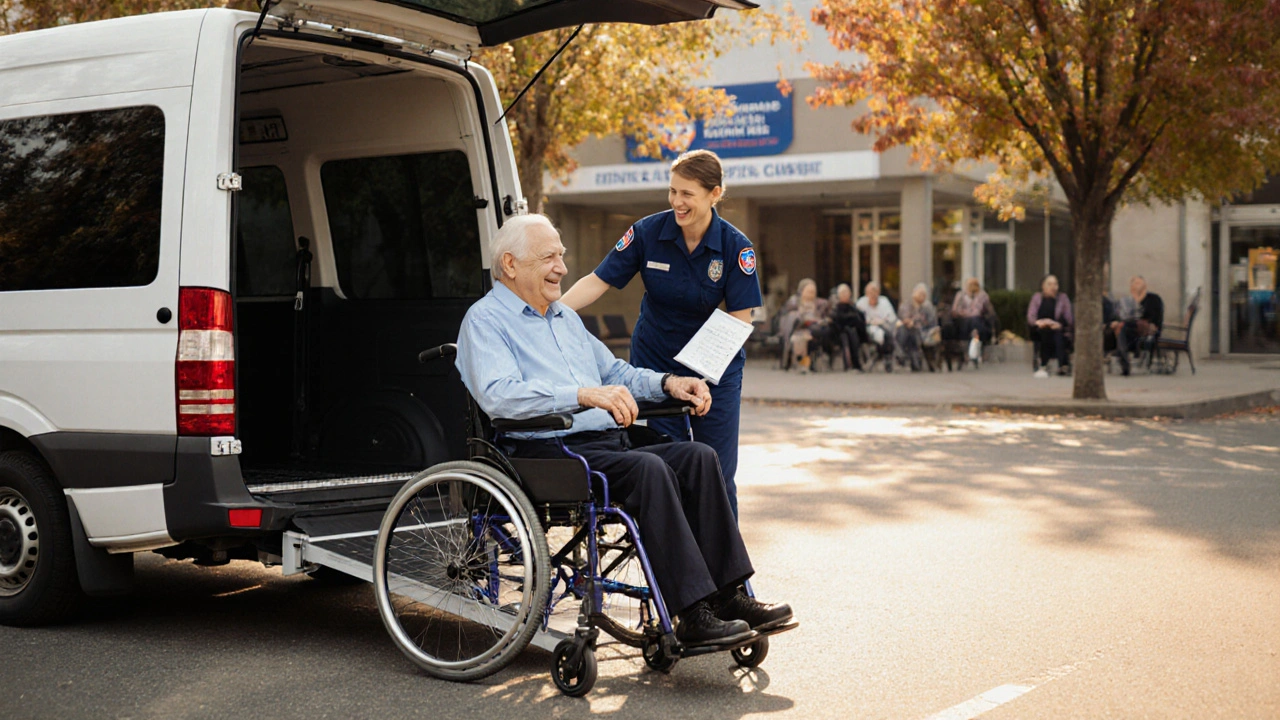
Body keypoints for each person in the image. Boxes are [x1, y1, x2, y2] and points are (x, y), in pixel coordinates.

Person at [456, 213, 793, 647]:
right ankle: (690, 613)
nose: (561, 267)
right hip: (546, 450)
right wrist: (581, 395)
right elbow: (500, 395)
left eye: (562, 256)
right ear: (510, 265)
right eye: (549, 258)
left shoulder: (563, 317)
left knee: (697, 458)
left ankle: (728, 596)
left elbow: (615, 371)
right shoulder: (484, 321)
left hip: (604, 443)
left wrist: (669, 382)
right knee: (648, 471)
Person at [561, 150, 761, 518]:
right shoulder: (647, 232)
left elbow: (739, 320)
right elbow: (597, 281)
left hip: (714, 369)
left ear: (715, 193)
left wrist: (699, 378)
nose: (677, 202)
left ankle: (725, 568)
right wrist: (551, 313)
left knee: (716, 469)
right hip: (656, 366)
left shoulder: (735, 247)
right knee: (667, 465)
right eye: (672, 191)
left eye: (687, 194)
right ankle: (678, 558)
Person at [1109, 275, 1164, 375]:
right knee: (1120, 327)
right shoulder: (1128, 301)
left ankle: (1122, 356)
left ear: (1145, 285)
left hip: (1147, 327)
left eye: (1138, 283)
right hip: (1130, 329)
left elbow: (1154, 318)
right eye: (1134, 284)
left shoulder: (1153, 298)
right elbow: (1120, 314)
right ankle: (1124, 357)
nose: (1136, 286)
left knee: (1123, 326)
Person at [778, 278, 832, 373]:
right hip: (798, 328)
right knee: (805, 336)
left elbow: (826, 317)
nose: (811, 294)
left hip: (815, 329)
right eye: (809, 291)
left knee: (815, 335)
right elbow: (788, 318)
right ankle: (803, 362)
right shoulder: (794, 302)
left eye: (813, 292)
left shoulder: (821, 303)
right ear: (802, 291)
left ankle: (809, 362)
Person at [1027, 274, 1074, 377]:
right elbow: (1031, 317)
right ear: (1043, 286)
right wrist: (1039, 323)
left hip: (1058, 328)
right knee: (1043, 332)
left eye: (1055, 284)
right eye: (1049, 284)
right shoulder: (1037, 298)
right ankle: (1043, 364)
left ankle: (1063, 365)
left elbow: (1069, 318)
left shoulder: (1063, 298)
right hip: (1041, 328)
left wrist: (1058, 325)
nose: (1053, 287)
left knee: (1058, 335)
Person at [951, 277, 996, 366]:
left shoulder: (983, 295)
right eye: (970, 284)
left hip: (978, 319)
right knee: (969, 323)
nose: (973, 287)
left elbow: (989, 310)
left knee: (975, 322)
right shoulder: (960, 295)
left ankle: (975, 348)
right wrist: (963, 313)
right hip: (963, 319)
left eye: (975, 284)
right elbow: (955, 310)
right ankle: (968, 352)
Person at [896, 283, 938, 372]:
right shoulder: (906, 305)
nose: (922, 296)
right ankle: (905, 357)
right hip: (908, 330)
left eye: (924, 295)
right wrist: (909, 322)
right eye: (920, 294)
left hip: (924, 331)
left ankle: (904, 358)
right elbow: (903, 317)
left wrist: (914, 322)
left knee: (912, 332)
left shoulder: (928, 307)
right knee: (904, 330)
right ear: (914, 294)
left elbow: (931, 321)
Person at [856, 281, 897, 372]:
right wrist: (870, 322)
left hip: (884, 326)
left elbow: (891, 317)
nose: (873, 294)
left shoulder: (884, 301)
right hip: (867, 329)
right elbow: (858, 320)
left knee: (888, 332)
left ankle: (885, 357)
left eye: (875, 292)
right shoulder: (861, 303)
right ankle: (881, 355)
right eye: (871, 292)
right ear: (866, 293)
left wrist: (881, 321)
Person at [829, 283, 867, 371]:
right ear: (838, 295)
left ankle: (857, 363)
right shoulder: (835, 307)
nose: (845, 295)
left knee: (852, 332)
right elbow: (836, 321)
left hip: (856, 333)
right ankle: (850, 364)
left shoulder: (854, 307)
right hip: (839, 333)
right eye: (843, 293)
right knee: (847, 333)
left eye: (847, 293)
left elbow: (860, 320)